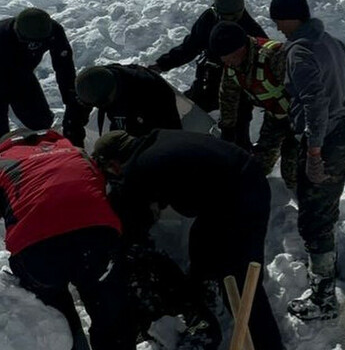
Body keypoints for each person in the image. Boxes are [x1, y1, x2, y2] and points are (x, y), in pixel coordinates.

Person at [91, 129, 284, 350]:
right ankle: (202, 295)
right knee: (200, 241)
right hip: (236, 184)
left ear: (115, 163)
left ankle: (268, 345)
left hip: (241, 198)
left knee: (242, 281)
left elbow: (136, 221)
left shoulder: (140, 169)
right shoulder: (155, 140)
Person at [269, 0, 345, 320]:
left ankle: (323, 298)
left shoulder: (300, 51)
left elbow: (314, 102)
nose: (278, 28)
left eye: (279, 21)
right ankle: (328, 262)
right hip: (343, 134)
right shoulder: (332, 42)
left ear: (291, 17)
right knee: (324, 207)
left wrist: (314, 150)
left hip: (323, 144)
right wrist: (341, 114)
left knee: (313, 219)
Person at [0, 129, 134, 350]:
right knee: (108, 309)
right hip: (96, 236)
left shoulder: (3, 162)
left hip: (37, 250)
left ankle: (71, 340)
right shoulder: (75, 152)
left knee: (55, 316)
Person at [148, 0, 267, 147]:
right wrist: (162, 64)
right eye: (224, 16)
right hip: (208, 82)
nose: (229, 20)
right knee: (181, 115)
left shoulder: (252, 31)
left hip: (238, 90)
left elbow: (264, 65)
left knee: (238, 136)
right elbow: (190, 47)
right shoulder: (209, 19)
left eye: (234, 16)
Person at [208, 21, 298, 188]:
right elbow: (228, 95)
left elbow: (304, 90)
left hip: (298, 119)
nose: (229, 62)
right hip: (276, 116)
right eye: (225, 59)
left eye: (232, 56)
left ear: (242, 47)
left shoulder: (275, 57)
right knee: (259, 164)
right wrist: (228, 129)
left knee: (292, 172)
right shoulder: (231, 66)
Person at [0, 8, 89, 146]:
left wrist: (71, 98)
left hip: (23, 75)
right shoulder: (2, 35)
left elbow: (64, 66)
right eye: (29, 43)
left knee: (41, 124)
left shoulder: (52, 31)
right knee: (2, 137)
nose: (33, 47)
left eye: (37, 44)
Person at [76, 64, 182, 136]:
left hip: (155, 129)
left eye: (101, 104)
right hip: (125, 121)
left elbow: (168, 134)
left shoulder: (150, 92)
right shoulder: (101, 77)